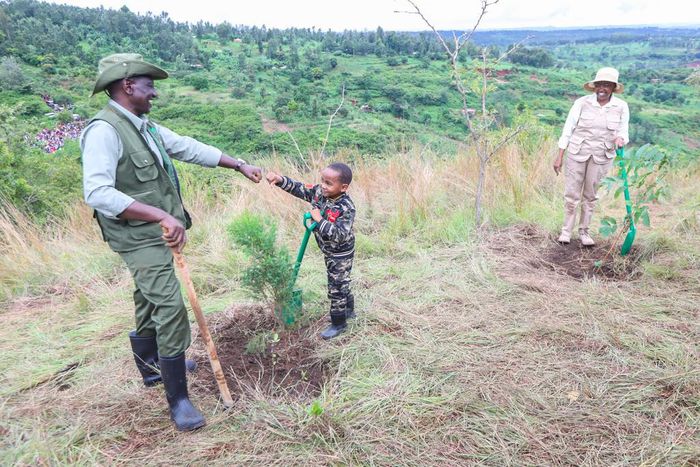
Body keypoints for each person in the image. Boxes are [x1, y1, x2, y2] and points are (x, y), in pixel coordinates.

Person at [80, 53, 262, 431]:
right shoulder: (104, 131)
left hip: (151, 231)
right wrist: (161, 215)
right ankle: (178, 399)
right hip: (135, 235)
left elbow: (187, 147)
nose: (154, 94)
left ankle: (151, 367)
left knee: (147, 295)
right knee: (169, 304)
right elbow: (97, 192)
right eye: (149, 86)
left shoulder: (144, 126)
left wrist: (239, 164)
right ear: (127, 86)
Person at [266, 163, 356, 340]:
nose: (323, 185)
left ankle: (338, 323)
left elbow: (338, 235)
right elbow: (300, 188)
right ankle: (349, 310)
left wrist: (319, 219)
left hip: (341, 253)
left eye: (329, 183)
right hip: (328, 249)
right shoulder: (319, 193)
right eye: (322, 180)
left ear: (343, 187)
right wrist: (280, 180)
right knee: (341, 281)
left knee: (336, 287)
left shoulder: (346, 208)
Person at [553, 67, 629, 246]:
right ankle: (566, 232)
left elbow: (623, 131)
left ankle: (584, 232)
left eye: (607, 85)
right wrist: (559, 156)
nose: (602, 88)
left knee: (590, 195)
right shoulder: (582, 103)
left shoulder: (621, 107)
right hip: (577, 153)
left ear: (613, 88)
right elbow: (567, 130)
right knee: (572, 194)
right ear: (594, 86)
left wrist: (620, 138)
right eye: (599, 84)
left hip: (602, 156)